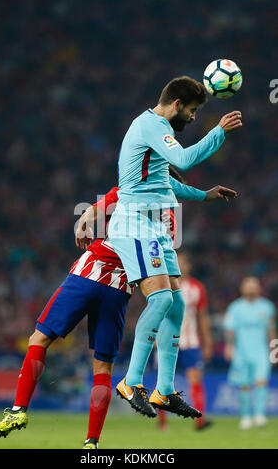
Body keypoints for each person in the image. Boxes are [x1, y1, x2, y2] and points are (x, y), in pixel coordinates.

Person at [0, 171, 235, 448]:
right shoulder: (170, 221)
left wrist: (82, 223)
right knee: (103, 367)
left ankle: (19, 410)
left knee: (40, 339)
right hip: (120, 290)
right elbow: (159, 270)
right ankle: (92, 441)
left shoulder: (129, 190)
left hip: (90, 271)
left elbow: (92, 213)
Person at [108, 75, 242, 418]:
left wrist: (204, 194)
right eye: (194, 110)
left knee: (177, 305)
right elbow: (182, 161)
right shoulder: (151, 125)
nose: (194, 117)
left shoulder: (152, 133)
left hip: (153, 226)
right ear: (178, 105)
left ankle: (164, 391)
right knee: (161, 298)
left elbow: (165, 181)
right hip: (135, 222)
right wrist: (219, 133)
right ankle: (132, 381)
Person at [157, 251, 213, 431]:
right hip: (166, 341)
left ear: (189, 266)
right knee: (164, 382)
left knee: (195, 378)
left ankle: (199, 421)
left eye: (183, 263)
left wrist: (208, 342)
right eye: (176, 262)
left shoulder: (197, 288)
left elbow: (202, 317)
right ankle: (162, 423)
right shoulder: (161, 286)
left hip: (190, 342)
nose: (179, 266)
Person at [223, 276, 276, 429]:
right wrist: (229, 346)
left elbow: (271, 330)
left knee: (261, 382)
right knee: (244, 384)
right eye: (248, 285)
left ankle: (259, 415)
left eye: (254, 285)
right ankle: (246, 416)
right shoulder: (234, 308)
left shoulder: (267, 307)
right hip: (241, 351)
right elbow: (229, 330)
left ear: (259, 288)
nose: (251, 288)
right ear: (242, 288)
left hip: (261, 351)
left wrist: (275, 350)